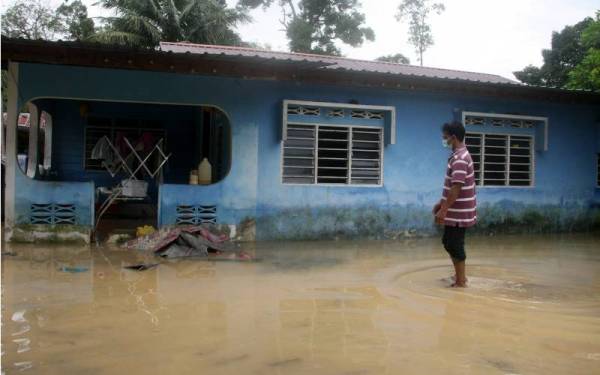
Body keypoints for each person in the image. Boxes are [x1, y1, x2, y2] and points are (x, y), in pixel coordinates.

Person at [432, 121, 477, 287]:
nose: (444, 141)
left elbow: (456, 189)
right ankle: (459, 276)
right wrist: (441, 204)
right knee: (448, 242)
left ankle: (460, 281)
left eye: (445, 138)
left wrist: (443, 210)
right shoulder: (457, 156)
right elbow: (451, 187)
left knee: (455, 244)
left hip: (459, 211)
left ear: (454, 137)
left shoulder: (460, 159)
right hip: (455, 209)